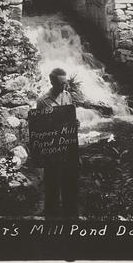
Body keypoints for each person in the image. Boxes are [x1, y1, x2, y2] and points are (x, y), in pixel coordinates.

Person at [33, 67, 79, 218]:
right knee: (52, 189)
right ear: (52, 82)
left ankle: (70, 219)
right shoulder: (42, 102)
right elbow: (39, 130)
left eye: (65, 83)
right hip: (52, 153)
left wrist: (75, 123)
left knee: (69, 187)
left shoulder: (67, 96)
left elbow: (70, 120)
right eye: (60, 84)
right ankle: (51, 220)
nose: (64, 86)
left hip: (68, 151)